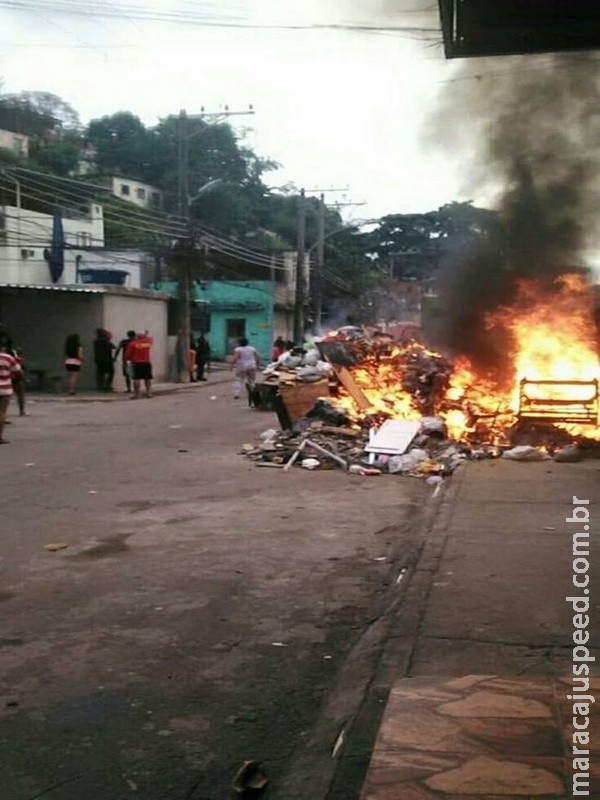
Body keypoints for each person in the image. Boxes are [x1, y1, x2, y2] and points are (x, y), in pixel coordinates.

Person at [0, 332, 22, 443]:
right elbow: (19, 371)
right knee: (2, 412)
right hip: (5, 388)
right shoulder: (8, 358)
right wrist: (10, 376)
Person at [126, 330, 153, 399]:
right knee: (147, 378)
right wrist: (146, 334)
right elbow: (151, 338)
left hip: (136, 362)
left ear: (137, 336)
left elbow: (128, 354)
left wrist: (127, 359)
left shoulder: (133, 343)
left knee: (136, 378)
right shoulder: (148, 342)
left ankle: (137, 394)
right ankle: (149, 393)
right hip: (146, 362)